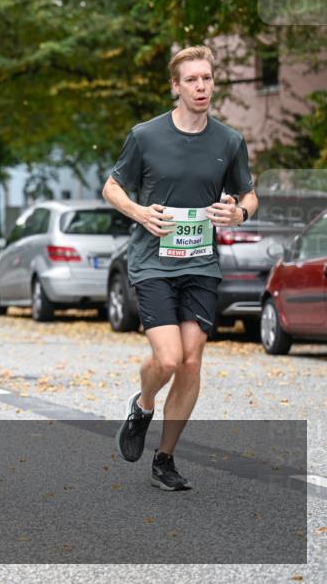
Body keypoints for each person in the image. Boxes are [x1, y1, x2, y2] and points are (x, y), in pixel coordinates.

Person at [104, 45, 258, 491]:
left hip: (202, 264)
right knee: (168, 358)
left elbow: (248, 194)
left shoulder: (228, 141)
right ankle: (144, 403)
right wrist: (139, 212)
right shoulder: (146, 136)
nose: (201, 86)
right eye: (192, 79)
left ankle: (165, 459)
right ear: (176, 87)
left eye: (207, 78)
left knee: (191, 363)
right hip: (153, 262)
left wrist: (239, 214)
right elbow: (112, 187)